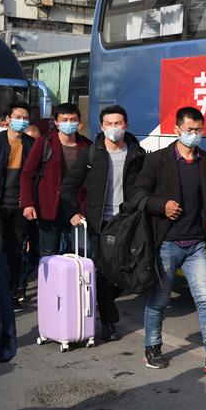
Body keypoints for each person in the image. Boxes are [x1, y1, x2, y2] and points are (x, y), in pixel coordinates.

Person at [134, 106, 206, 373]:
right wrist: (162, 205)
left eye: (199, 130)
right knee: (160, 299)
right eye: (190, 130)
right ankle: (152, 348)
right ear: (177, 130)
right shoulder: (158, 160)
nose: (194, 135)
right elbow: (138, 195)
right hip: (167, 242)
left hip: (196, 243)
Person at [61, 104, 145, 342]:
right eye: (108, 124)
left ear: (126, 125)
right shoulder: (92, 153)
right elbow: (68, 186)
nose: (113, 128)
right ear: (101, 126)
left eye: (118, 123)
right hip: (100, 224)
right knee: (105, 273)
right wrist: (73, 212)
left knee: (130, 271)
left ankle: (102, 302)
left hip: (128, 223)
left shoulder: (137, 153)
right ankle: (109, 322)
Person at [21, 103, 92, 258]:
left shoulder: (87, 146)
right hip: (49, 208)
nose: (69, 123)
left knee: (81, 253)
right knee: (48, 254)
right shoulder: (44, 142)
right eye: (64, 120)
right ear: (56, 122)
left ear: (79, 122)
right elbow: (27, 175)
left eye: (73, 120)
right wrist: (28, 204)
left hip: (77, 209)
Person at [0, 102, 35, 311]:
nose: (22, 121)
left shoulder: (31, 144)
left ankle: (11, 294)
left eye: (25, 118)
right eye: (18, 117)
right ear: (8, 119)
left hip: (20, 207)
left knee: (16, 251)